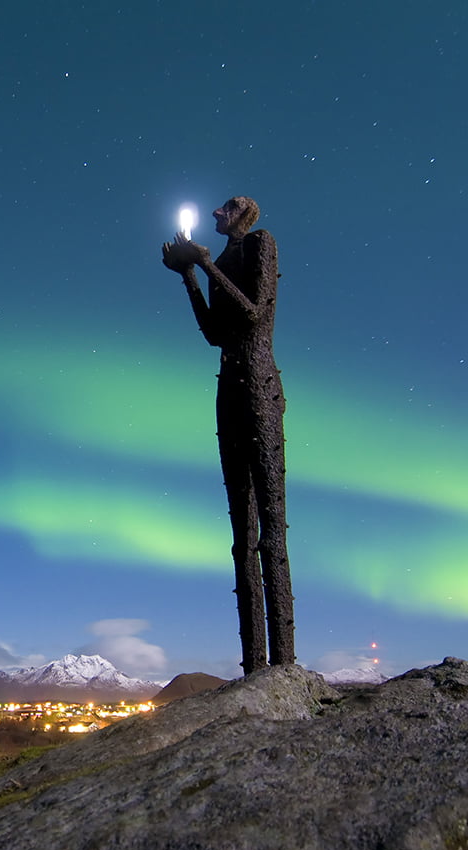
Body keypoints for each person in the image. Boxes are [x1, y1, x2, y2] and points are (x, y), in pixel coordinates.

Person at [162, 196, 295, 673]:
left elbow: (257, 315)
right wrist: (190, 276)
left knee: (271, 528)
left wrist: (204, 266)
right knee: (242, 534)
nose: (216, 214)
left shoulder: (262, 243)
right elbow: (215, 334)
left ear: (243, 214)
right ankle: (254, 671)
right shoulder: (218, 260)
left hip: (259, 386)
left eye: (225, 208)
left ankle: (284, 666)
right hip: (229, 390)